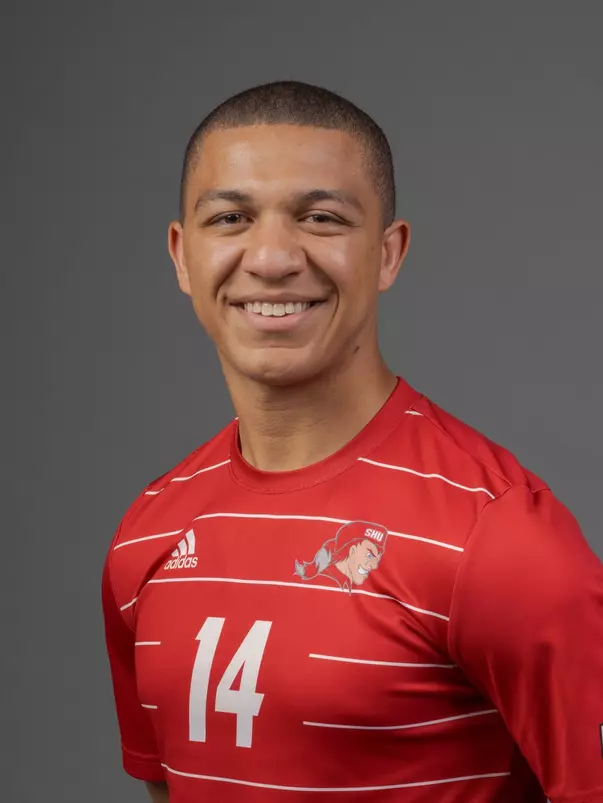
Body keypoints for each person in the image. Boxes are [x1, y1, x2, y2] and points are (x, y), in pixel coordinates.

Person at [102, 80, 603, 803]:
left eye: (321, 218)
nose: (272, 257)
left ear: (388, 254)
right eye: (231, 217)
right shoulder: (147, 534)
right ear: (183, 256)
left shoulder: (495, 538)